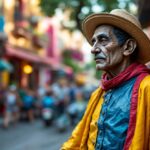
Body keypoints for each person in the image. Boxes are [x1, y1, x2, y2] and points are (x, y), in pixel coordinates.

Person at [61, 9, 150, 150]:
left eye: (103, 40)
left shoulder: (147, 88)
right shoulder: (98, 94)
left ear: (128, 47)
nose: (94, 49)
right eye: (93, 42)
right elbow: (76, 141)